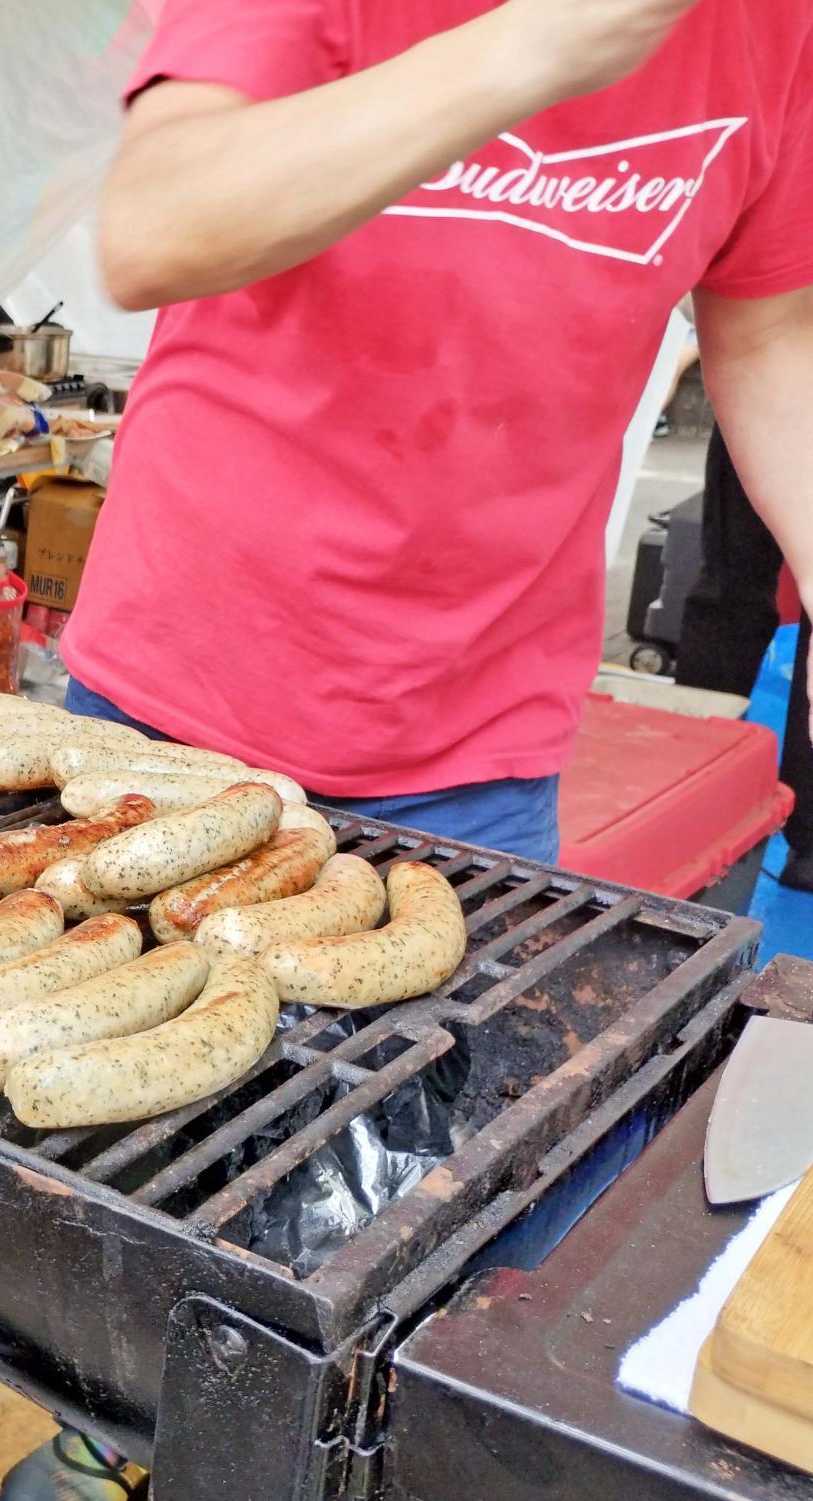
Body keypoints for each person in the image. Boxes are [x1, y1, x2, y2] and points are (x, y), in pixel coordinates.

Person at [61, 0, 813, 864]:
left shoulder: (776, 21)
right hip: (179, 701)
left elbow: (770, 335)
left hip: (485, 749)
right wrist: (531, 46)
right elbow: (155, 224)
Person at [675, 426, 813, 887]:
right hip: (767, 371)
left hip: (769, 371)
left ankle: (689, 803)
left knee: (730, 590)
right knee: (731, 591)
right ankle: (809, 844)